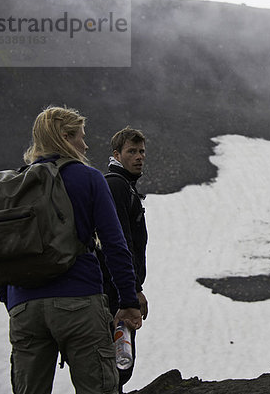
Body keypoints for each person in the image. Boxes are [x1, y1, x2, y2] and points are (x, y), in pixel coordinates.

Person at [0, 105, 142, 394]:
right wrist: (128, 300)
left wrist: (12, 300)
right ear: (65, 137)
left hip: (25, 307)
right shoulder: (88, 178)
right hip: (79, 302)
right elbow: (115, 245)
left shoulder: (16, 183)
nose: (85, 144)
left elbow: (1, 249)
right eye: (80, 137)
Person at [99, 126, 148, 393]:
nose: (139, 157)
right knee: (118, 364)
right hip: (115, 293)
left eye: (141, 151)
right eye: (132, 151)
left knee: (118, 365)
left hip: (118, 289)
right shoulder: (117, 186)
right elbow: (119, 243)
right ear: (117, 155)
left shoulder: (125, 187)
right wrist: (132, 291)